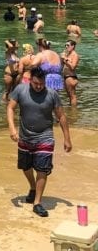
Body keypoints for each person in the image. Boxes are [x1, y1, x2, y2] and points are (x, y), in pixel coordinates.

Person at [7, 66, 72, 217]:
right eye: (36, 83)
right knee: (25, 166)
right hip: (25, 136)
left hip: (45, 136)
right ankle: (32, 186)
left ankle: (37, 202)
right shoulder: (20, 90)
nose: (38, 86)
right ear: (30, 80)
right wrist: (12, 129)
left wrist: (67, 139)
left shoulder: (52, 94)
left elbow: (61, 116)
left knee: (43, 169)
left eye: (41, 84)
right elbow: (10, 108)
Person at [61, 39, 79, 107]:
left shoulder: (75, 55)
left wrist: (65, 59)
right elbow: (63, 65)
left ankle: (74, 112)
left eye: (68, 45)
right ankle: (71, 110)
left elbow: (73, 67)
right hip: (66, 77)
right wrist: (62, 59)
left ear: (73, 46)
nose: (66, 46)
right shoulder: (68, 54)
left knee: (72, 96)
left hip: (71, 77)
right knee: (69, 96)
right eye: (65, 45)